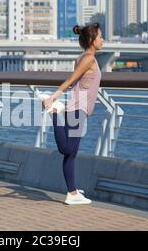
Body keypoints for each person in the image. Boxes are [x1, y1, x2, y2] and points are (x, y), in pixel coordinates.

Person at [41, 22, 104, 205]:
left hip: (77, 106)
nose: (103, 40)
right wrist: (53, 98)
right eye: (100, 37)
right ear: (92, 40)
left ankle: (72, 192)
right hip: (78, 107)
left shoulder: (84, 57)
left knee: (71, 153)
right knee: (68, 150)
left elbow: (83, 81)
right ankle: (54, 113)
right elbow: (71, 80)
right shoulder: (89, 59)